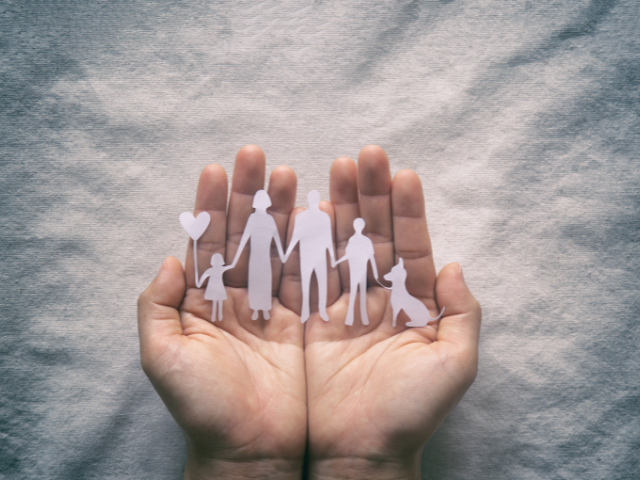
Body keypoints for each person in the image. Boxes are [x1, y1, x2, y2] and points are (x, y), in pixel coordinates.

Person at [137, 144, 481, 480]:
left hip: (327, 264)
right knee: (262, 284)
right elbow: (279, 244)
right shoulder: (289, 226)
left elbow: (292, 244)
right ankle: (287, 309)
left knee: (340, 292)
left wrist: (237, 465)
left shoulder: (346, 238)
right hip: (277, 263)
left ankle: (330, 313)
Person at [230, 189, 286, 320]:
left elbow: (276, 238)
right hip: (254, 257)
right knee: (255, 282)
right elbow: (244, 238)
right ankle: (255, 308)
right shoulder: (253, 218)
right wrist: (235, 260)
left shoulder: (269, 219)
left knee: (265, 282)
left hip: (265, 258)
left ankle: (265, 308)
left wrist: (283, 255)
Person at [283, 190, 336, 323]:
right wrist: (287, 254)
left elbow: (328, 238)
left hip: (319, 255)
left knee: (321, 283)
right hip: (306, 254)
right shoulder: (301, 217)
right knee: (305, 283)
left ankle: (322, 310)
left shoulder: (324, 217)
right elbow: (295, 237)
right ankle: (305, 310)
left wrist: (332, 257)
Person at [335, 217, 379, 326]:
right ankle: (350, 317)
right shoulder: (352, 240)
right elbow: (347, 255)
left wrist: (375, 272)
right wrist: (337, 262)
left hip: (362, 270)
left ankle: (364, 318)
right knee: (353, 293)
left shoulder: (366, 241)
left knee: (362, 294)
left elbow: (371, 257)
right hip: (354, 270)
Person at [196, 253, 233, 322]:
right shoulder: (212, 270)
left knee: (218, 302)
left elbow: (230, 266)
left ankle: (218, 316)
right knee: (216, 302)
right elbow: (203, 277)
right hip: (214, 288)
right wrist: (199, 284)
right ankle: (217, 316)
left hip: (217, 287)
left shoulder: (216, 269)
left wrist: (199, 284)